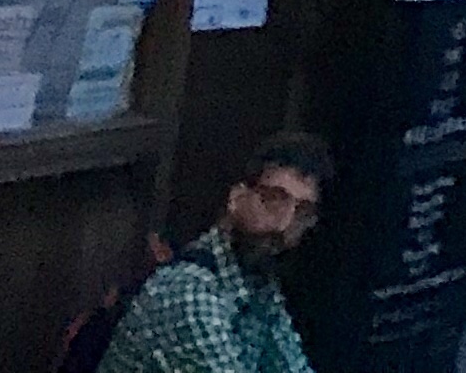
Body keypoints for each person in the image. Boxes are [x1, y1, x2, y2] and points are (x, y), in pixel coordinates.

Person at [97, 134, 330, 373]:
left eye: (303, 212)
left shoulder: (259, 286)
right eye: (273, 200)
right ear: (236, 197)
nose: (284, 224)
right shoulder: (189, 290)